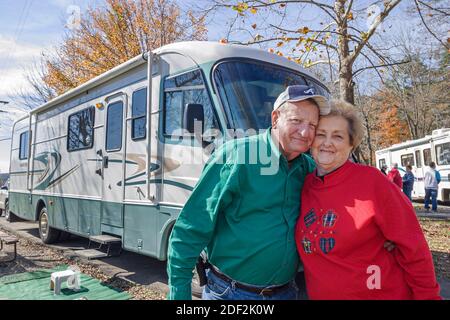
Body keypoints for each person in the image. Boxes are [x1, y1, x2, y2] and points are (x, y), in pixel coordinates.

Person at [167, 85, 331, 300]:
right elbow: (191, 228)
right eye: (296, 121)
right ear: (275, 119)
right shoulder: (237, 156)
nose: (305, 132)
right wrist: (179, 296)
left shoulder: (308, 169)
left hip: (287, 292)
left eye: (312, 125)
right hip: (230, 293)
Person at [295, 100, 441, 300]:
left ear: (351, 144)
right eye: (321, 134)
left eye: (338, 136)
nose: (327, 142)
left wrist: (428, 297)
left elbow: (414, 248)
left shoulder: (372, 182)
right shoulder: (305, 185)